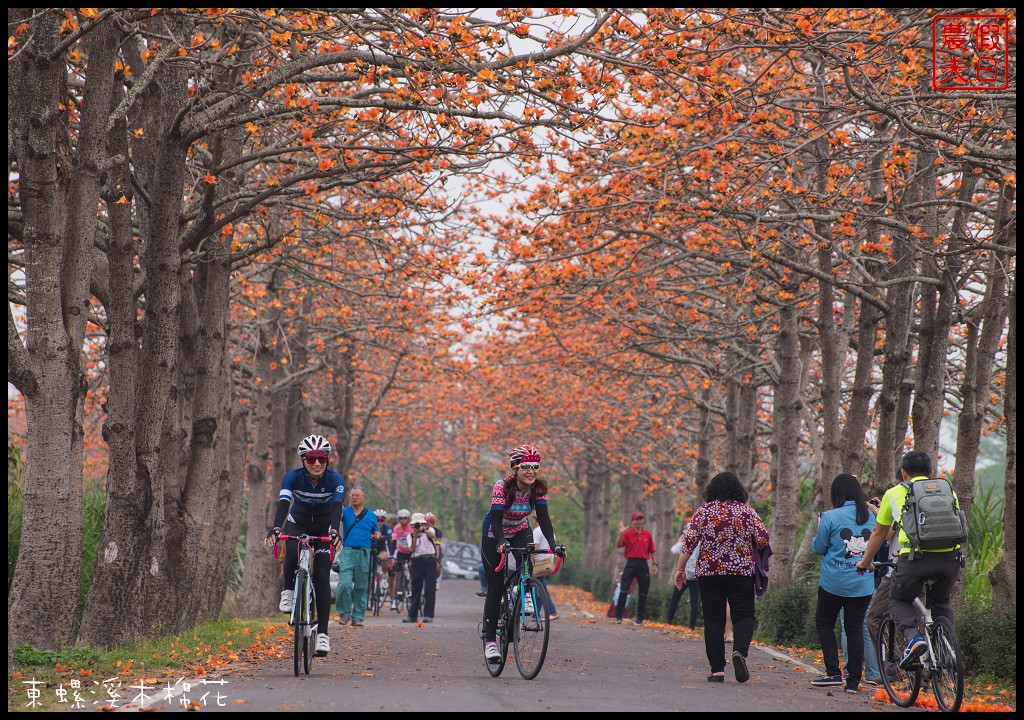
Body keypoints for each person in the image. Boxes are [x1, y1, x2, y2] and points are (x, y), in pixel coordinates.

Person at [856, 451, 963, 671]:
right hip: (950, 559)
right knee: (941, 602)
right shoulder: (947, 490)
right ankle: (946, 650)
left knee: (899, 600)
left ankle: (913, 639)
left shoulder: (894, 493)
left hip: (915, 559)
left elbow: (878, 533)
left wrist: (864, 562)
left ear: (903, 472)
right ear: (931, 472)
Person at [674, 471, 769, 683]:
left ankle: (717, 670)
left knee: (713, 620)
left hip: (710, 573)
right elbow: (763, 539)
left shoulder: (703, 512)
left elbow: (688, 543)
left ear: (712, 491)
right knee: (744, 616)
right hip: (741, 572)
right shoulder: (747, 512)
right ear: (738, 490)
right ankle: (740, 653)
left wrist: (680, 570)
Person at [480, 444, 564, 663]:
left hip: (519, 529)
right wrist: (500, 541)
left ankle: (522, 591)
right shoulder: (502, 487)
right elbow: (496, 521)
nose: (531, 471)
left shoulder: (538, 489)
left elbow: (544, 520)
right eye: (526, 466)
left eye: (535, 466)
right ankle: (490, 642)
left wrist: (554, 545)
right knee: (496, 584)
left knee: (527, 560)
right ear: (515, 468)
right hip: (494, 533)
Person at [264, 434, 344, 657]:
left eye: (321, 458)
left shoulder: (335, 480)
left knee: (321, 575)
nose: (317, 463)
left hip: (323, 527)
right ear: (303, 460)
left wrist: (334, 531)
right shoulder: (292, 477)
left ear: (327, 459)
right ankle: (289, 591)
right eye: (311, 459)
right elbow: (284, 502)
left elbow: (337, 507)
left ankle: (323, 635)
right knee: (292, 548)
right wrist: (277, 527)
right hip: (297, 523)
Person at [810, 474, 876, 693]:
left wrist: (819, 528)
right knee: (854, 628)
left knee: (824, 623)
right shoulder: (871, 516)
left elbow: (819, 548)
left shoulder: (829, 517)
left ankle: (833, 673)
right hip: (862, 582)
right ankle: (853, 682)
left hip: (833, 583)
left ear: (836, 493)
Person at [335, 487, 380, 628]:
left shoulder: (371, 515)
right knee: (344, 584)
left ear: (363, 497)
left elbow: (376, 531)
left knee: (361, 586)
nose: (354, 498)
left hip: (364, 553)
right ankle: (344, 613)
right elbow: (335, 518)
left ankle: (358, 616)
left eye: (357, 495)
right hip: (347, 551)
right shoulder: (345, 512)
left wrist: (377, 535)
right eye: (352, 495)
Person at [614, 511, 658, 625]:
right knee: (624, 590)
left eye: (640, 519)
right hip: (630, 563)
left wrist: (654, 564)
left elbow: (652, 550)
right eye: (637, 519)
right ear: (633, 521)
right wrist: (621, 533)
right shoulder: (627, 533)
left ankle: (640, 619)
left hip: (643, 564)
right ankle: (619, 617)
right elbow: (618, 545)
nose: (639, 521)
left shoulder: (647, 534)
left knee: (643, 592)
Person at [402, 512, 439, 623]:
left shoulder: (430, 531)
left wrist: (423, 530)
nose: (417, 526)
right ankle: (412, 615)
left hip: (430, 560)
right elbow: (411, 549)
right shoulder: (410, 535)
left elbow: (433, 536)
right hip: (417, 561)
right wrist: (415, 537)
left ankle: (428, 615)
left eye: (420, 524)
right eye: (416, 525)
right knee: (415, 588)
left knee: (429, 588)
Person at [667, 521, 701, 629]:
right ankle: (691, 625)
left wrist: (678, 541)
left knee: (675, 598)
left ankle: (668, 621)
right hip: (695, 577)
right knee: (694, 601)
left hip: (683, 575)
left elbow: (673, 550)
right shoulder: (700, 544)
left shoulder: (684, 544)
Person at [532, 520, 559, 619]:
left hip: (539, 564)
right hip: (548, 562)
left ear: (535, 519)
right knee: (539, 588)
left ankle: (552, 611)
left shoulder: (537, 531)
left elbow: (535, 548)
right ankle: (536, 614)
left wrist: (530, 560)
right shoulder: (550, 531)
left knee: (541, 589)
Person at [390, 508, 413, 610]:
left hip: (410, 552)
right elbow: (394, 542)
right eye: (401, 518)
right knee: (396, 574)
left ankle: (411, 592)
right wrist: (391, 555)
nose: (403, 520)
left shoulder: (411, 528)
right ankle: (395, 599)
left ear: (408, 519)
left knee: (413, 572)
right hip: (400, 552)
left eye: (405, 518)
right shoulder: (396, 528)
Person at [426, 512, 443, 591]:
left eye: (432, 523)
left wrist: (437, 559)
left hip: (435, 551)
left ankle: (435, 579)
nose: (430, 525)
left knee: (436, 567)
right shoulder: (422, 530)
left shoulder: (437, 532)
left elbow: (437, 546)